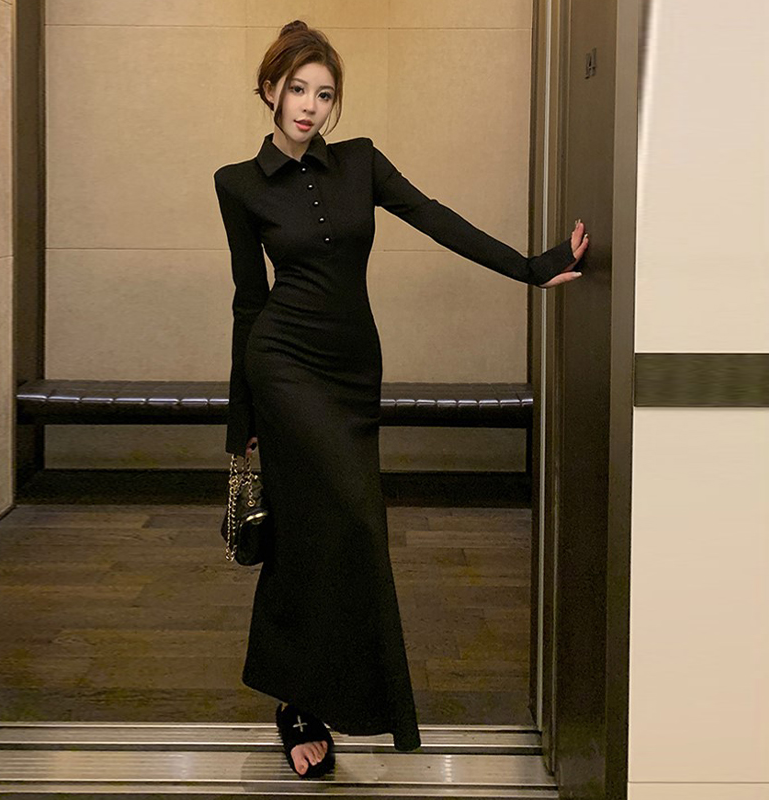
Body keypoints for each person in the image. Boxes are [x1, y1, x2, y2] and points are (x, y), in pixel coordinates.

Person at [213, 19, 588, 780]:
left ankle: (301, 698)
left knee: (327, 531)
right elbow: (249, 300)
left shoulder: (360, 162)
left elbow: (434, 217)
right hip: (282, 367)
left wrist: (530, 268)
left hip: (352, 370)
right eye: (297, 89)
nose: (310, 105)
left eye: (324, 93)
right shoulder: (238, 183)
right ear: (270, 90)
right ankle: (301, 701)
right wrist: (240, 419)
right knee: (345, 521)